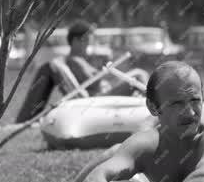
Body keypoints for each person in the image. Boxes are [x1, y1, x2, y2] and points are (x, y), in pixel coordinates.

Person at [15, 20, 148, 123]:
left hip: (104, 94)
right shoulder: (74, 61)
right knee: (138, 74)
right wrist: (107, 73)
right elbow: (93, 83)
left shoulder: (82, 61)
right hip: (97, 99)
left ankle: (152, 102)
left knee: (138, 74)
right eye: (87, 42)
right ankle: (157, 103)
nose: (88, 47)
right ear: (75, 41)